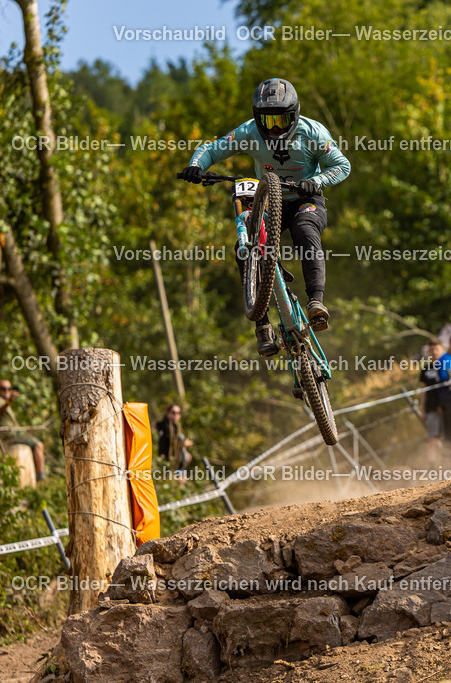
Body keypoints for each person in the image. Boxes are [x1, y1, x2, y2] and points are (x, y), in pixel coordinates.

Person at [180, 77, 351, 357]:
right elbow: (212, 149)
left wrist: (317, 180)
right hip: (269, 200)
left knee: (305, 228)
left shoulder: (313, 133)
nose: (273, 129)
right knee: (244, 246)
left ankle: (316, 302)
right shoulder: (248, 132)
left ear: (294, 115)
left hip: (305, 199)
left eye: (280, 122)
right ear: (256, 118)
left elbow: (342, 165)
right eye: (266, 122)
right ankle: (262, 326)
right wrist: (196, 166)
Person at [0, 379, 46, 481]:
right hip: (10, 436)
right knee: (38, 445)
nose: (7, 391)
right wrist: (9, 401)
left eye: (9, 389)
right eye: (3, 389)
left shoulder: (3, 402)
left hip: (11, 436)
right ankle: (41, 476)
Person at [418, 338, 447, 465]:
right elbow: (423, 391)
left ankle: (449, 463)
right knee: (432, 438)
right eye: (431, 349)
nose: (434, 352)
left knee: (448, 437)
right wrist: (422, 409)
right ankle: (432, 466)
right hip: (431, 408)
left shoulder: (448, 365)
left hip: (447, 407)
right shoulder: (426, 369)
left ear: (442, 350)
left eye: (437, 349)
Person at [155, 404, 194, 473]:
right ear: (167, 413)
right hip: (170, 466)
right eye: (173, 412)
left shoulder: (176, 427)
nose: (176, 415)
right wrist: (184, 443)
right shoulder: (166, 426)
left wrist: (185, 454)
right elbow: (171, 441)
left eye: (178, 413)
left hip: (179, 466)